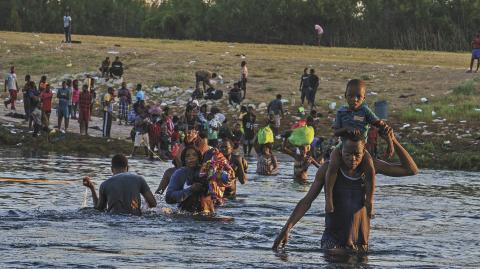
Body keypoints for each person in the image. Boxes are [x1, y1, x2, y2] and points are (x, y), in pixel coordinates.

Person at [272, 133, 418, 252]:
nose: (352, 159)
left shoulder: (370, 168)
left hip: (360, 244)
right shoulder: (328, 170)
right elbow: (307, 201)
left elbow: (411, 170)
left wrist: (392, 140)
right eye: (348, 154)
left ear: (364, 151)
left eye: (357, 154)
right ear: (341, 151)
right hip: (333, 244)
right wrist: (287, 228)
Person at [324, 79, 392, 218]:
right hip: (342, 146)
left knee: (370, 170)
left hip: (360, 148)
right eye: (351, 96)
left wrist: (390, 143)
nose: (354, 99)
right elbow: (336, 132)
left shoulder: (365, 111)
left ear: (364, 98)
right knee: (333, 165)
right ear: (345, 95)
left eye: (358, 97)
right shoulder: (341, 111)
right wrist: (346, 129)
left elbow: (380, 125)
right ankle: (328, 199)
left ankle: (369, 201)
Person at [82, 154, 157, 216]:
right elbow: (153, 203)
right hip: (134, 218)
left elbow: (99, 209)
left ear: (111, 169)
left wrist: (92, 188)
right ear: (127, 168)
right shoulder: (139, 179)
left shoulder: (105, 184)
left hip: (114, 218)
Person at [166, 146, 215, 213]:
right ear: (184, 160)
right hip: (185, 214)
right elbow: (168, 198)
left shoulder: (207, 172)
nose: (191, 157)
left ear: (199, 158)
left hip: (207, 212)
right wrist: (190, 189)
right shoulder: (179, 173)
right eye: (187, 156)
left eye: (194, 155)